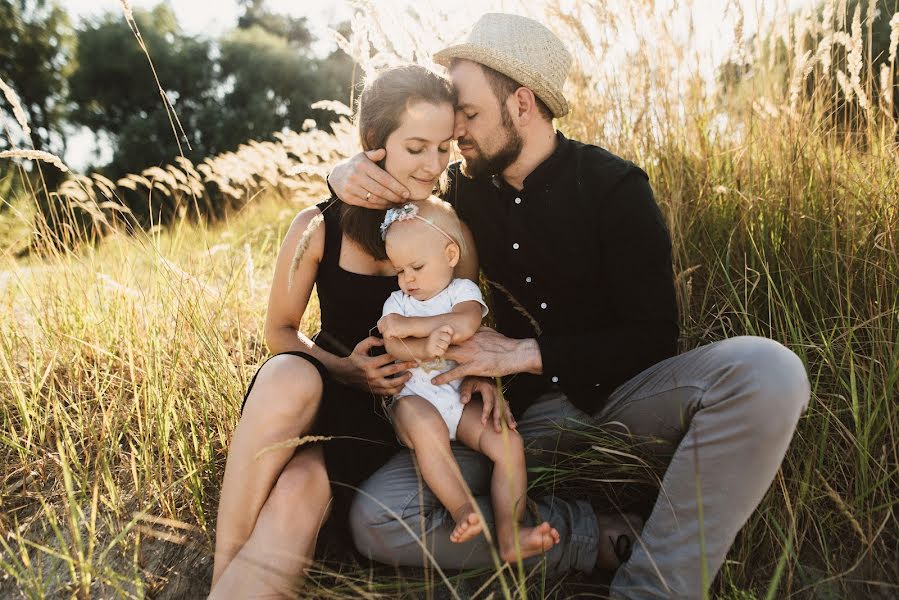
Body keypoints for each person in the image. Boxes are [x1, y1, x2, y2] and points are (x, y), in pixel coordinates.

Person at [329, 13, 811, 599]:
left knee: (771, 370)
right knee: (378, 518)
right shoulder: (458, 193)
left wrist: (521, 354)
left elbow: (654, 338)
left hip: (622, 405)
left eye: (471, 115)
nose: (457, 134)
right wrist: (347, 169)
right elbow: (391, 191)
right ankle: (591, 536)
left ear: (523, 104)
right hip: (510, 426)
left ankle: (653, 589)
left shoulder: (613, 187)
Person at [209, 64, 499, 599]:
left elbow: (467, 315)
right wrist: (344, 368)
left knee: (297, 491)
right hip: (317, 385)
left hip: (389, 413)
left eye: (443, 148)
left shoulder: (449, 231)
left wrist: (478, 372)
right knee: (287, 376)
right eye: (416, 148)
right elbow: (280, 331)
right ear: (374, 144)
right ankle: (221, 569)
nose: (434, 165)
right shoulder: (317, 226)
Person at [376, 197, 561, 560]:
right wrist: (422, 344)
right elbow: (394, 348)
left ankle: (511, 534)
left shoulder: (463, 293)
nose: (407, 279)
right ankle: (462, 508)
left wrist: (417, 331)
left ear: (449, 254)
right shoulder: (397, 302)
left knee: (508, 444)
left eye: (416, 266)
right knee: (428, 430)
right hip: (413, 401)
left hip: (457, 401)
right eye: (399, 270)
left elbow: (465, 324)